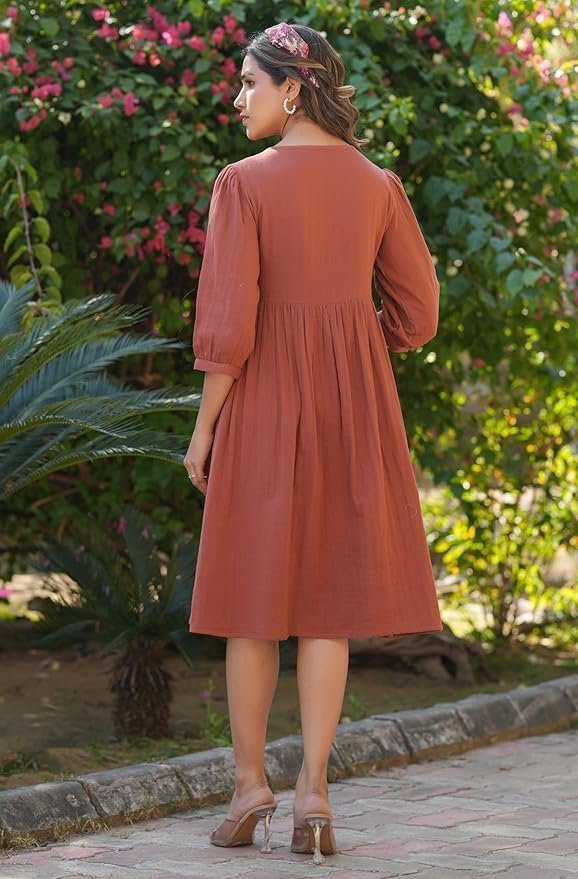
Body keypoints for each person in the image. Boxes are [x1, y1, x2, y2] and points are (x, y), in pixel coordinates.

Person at [183, 20, 443, 866]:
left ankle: (248, 786)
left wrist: (203, 429)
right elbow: (419, 314)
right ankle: (315, 795)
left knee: (250, 601)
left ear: (291, 89)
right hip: (351, 404)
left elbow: (228, 324)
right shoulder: (378, 185)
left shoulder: (243, 184)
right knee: (327, 604)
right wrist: (356, 338)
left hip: (263, 397)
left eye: (249, 83)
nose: (238, 98)